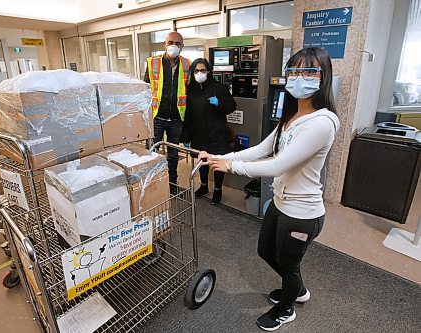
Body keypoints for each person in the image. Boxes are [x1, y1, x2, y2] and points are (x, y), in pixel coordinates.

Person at [198, 47, 340, 331]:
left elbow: (277, 165)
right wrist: (220, 158)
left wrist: (231, 168)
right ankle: (296, 290)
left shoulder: (323, 122)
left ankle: (287, 307)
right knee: (266, 251)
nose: (300, 78)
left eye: (309, 71)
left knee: (289, 265)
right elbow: (262, 149)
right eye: (294, 71)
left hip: (302, 212)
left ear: (323, 78)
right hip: (281, 203)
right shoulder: (290, 118)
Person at [181, 58, 236, 205]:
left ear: (209, 71)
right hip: (198, 133)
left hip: (217, 133)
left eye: (203, 70)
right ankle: (204, 186)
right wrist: (185, 136)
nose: (200, 73)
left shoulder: (218, 88)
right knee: (202, 162)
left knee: (217, 163)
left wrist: (219, 103)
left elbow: (232, 106)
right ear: (193, 72)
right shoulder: (190, 90)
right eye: (197, 71)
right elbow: (187, 115)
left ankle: (218, 190)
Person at [144, 31, 191, 195]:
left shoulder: (187, 64)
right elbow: (144, 89)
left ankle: (172, 186)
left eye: (178, 43)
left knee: (173, 156)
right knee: (151, 154)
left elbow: (188, 91)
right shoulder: (152, 63)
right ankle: (151, 187)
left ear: (182, 47)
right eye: (171, 42)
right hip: (156, 117)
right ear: (165, 44)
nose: (174, 46)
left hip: (177, 119)